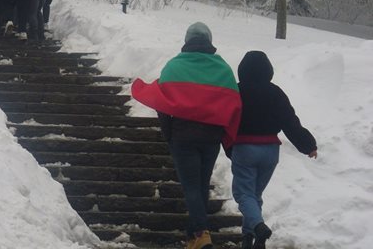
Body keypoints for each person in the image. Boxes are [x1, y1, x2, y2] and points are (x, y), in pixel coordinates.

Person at [131, 22, 242, 249]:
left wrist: (169, 133)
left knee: (191, 186)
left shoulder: (175, 66)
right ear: (209, 41)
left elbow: (162, 103)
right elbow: (233, 102)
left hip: (183, 137)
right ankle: (193, 237)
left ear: (187, 40)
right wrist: (224, 134)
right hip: (211, 137)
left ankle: (202, 233)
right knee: (201, 185)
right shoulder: (222, 69)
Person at [232, 51, 317, 249]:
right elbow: (290, 122)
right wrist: (308, 145)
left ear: (242, 70)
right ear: (268, 70)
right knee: (254, 195)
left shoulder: (236, 91)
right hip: (270, 151)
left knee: (243, 194)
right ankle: (249, 238)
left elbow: (225, 118)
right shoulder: (276, 92)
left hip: (244, 148)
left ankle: (259, 227)